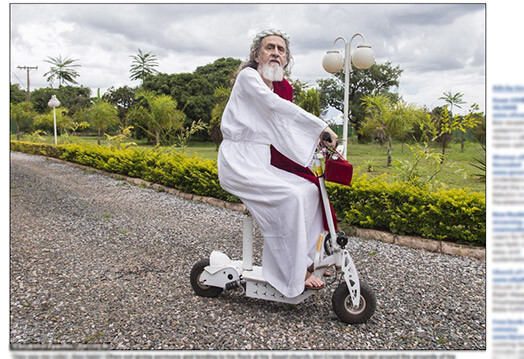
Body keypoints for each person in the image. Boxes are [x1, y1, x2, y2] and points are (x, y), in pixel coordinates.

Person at [217, 29, 338, 298]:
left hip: (261, 160)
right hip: (239, 161)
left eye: (281, 50)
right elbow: (275, 109)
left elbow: (283, 127)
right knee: (290, 197)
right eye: (269, 47)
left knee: (309, 190)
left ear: (286, 59)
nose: (275, 52)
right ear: (257, 55)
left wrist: (313, 141)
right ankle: (293, 272)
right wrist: (319, 129)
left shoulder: (278, 87)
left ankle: (308, 258)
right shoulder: (249, 78)